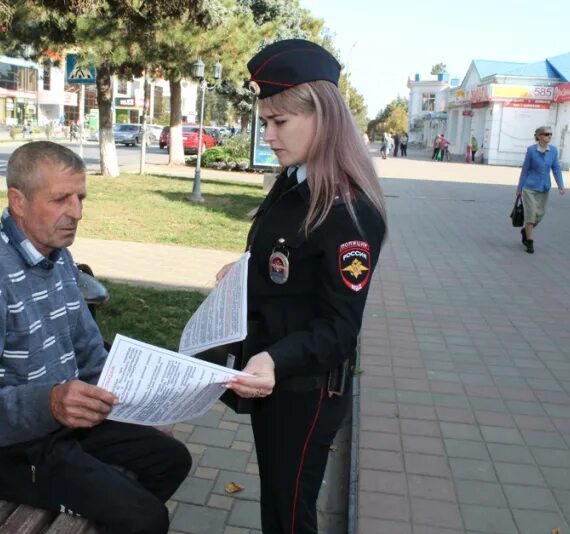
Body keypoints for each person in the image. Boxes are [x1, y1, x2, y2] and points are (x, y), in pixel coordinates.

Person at [0, 141, 191, 534]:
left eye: (80, 197)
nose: (77, 212)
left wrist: (139, 411)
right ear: (18, 201)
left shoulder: (58, 256)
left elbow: (88, 351)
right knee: (145, 518)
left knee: (172, 459)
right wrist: (48, 403)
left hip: (54, 419)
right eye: (60, 199)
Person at [218, 39, 387, 533]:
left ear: (323, 117)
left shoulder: (348, 210)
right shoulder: (298, 181)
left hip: (304, 390)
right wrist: (242, 272)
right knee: (278, 502)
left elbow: (339, 328)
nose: (267, 134)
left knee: (290, 515)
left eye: (279, 122)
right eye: (264, 121)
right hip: (272, 378)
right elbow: (285, 266)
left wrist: (276, 359)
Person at [516, 126, 565, 254]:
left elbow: (556, 169)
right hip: (529, 187)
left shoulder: (553, 151)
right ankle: (530, 242)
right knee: (531, 214)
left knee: (540, 215)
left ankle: (525, 231)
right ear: (538, 136)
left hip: (544, 188)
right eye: (545, 134)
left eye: (550, 134)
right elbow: (525, 170)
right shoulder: (531, 150)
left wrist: (560, 184)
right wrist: (519, 188)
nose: (548, 136)